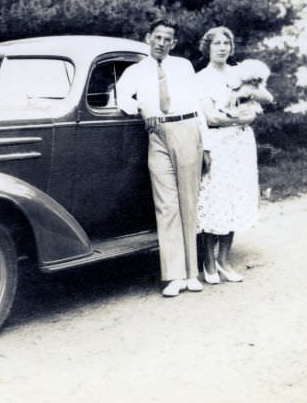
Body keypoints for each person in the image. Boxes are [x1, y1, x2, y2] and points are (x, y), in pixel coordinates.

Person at [116, 19, 212, 297]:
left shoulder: (183, 66)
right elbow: (119, 97)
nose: (160, 43)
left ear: (174, 43)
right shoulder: (136, 70)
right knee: (166, 204)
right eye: (157, 37)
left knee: (188, 202)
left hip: (187, 128)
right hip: (156, 133)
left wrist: (206, 146)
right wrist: (142, 106)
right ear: (148, 37)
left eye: (167, 39)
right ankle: (173, 276)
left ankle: (192, 273)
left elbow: (197, 105)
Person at [195, 26, 273, 284]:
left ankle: (224, 260)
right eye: (216, 43)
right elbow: (210, 117)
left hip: (240, 145)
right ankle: (208, 262)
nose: (222, 48)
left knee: (234, 198)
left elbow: (267, 98)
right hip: (217, 143)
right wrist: (241, 118)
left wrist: (247, 93)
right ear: (207, 46)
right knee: (213, 198)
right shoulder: (201, 78)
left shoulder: (240, 72)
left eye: (226, 43)